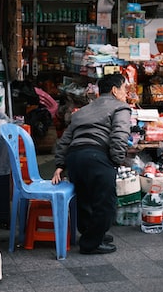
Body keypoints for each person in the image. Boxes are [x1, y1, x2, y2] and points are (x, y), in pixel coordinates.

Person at [51, 73, 131, 255]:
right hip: (96, 155)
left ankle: (92, 234)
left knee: (85, 199)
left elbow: (65, 139)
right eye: (124, 89)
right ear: (114, 90)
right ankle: (91, 244)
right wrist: (116, 160)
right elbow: (120, 135)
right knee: (105, 202)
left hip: (75, 158)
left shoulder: (84, 110)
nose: (126, 93)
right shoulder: (120, 108)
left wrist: (60, 164)